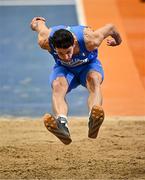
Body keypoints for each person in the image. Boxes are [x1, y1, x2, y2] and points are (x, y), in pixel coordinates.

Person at [30, 17, 122, 145]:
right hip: (64, 69)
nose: (67, 57)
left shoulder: (90, 40)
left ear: (74, 42)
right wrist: (37, 23)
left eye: (68, 52)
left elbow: (111, 27)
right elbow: (38, 26)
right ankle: (61, 124)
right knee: (57, 85)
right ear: (54, 47)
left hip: (88, 66)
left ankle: (93, 119)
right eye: (61, 54)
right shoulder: (45, 41)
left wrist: (118, 41)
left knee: (94, 80)